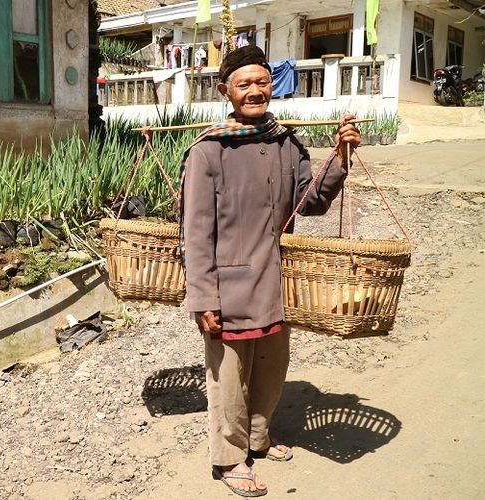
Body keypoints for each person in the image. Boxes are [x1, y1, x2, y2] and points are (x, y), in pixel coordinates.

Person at [180, 46, 361, 497]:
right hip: (229, 285)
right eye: (245, 84)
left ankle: (258, 440)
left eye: (262, 82)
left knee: (272, 367)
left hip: (277, 281)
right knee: (228, 378)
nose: (256, 91)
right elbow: (196, 233)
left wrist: (340, 156)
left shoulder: (287, 143)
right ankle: (228, 458)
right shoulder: (208, 151)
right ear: (226, 91)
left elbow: (312, 201)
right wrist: (203, 297)